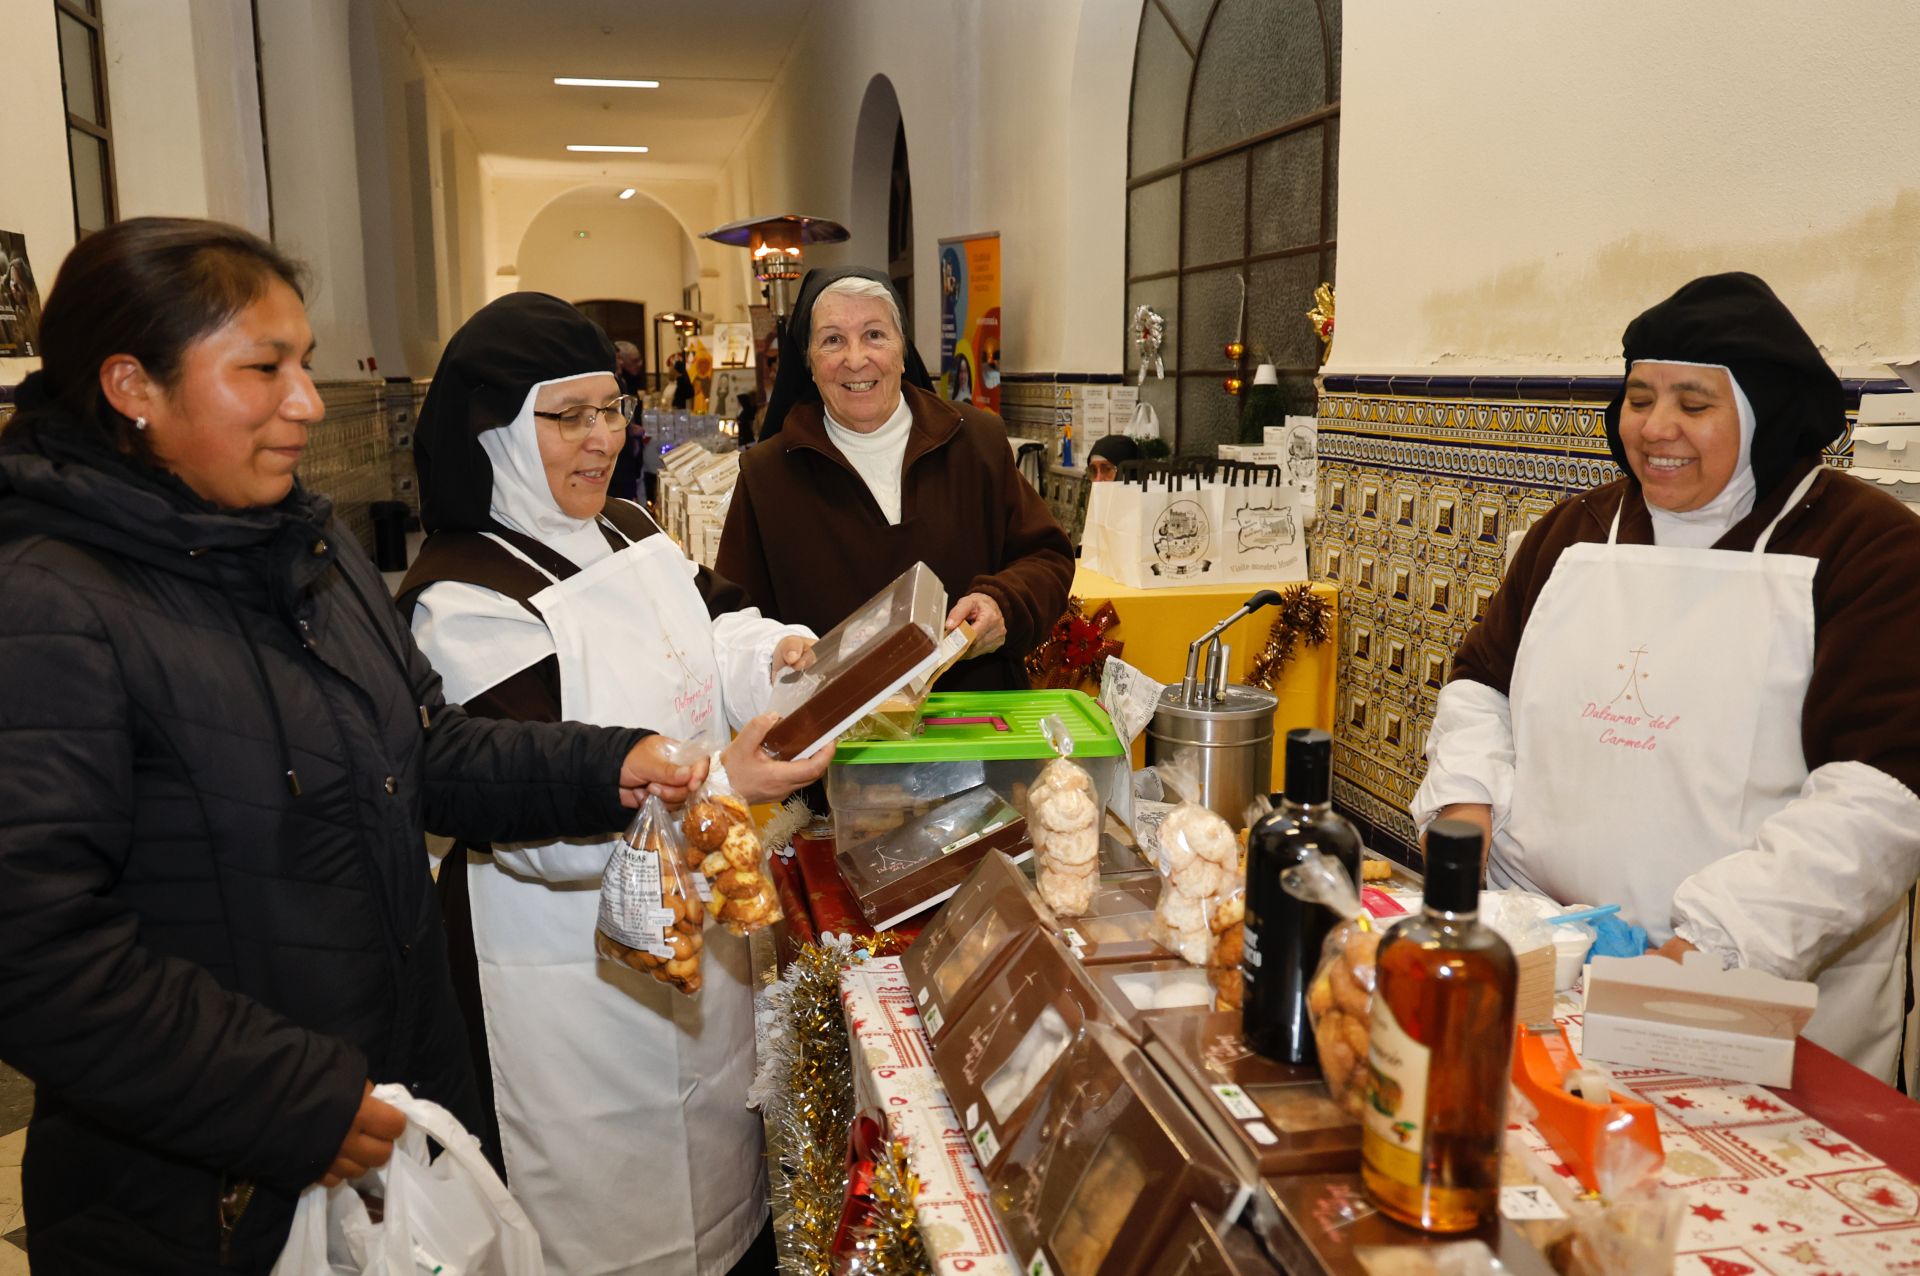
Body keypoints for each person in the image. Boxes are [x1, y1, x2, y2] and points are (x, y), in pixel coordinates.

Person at [0, 218, 699, 1274]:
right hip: (210, 1192)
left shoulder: (303, 556)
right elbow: (35, 952)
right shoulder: (49, 603)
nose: (309, 403)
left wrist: (605, 763)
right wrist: (288, 1098)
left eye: (309, 364)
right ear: (131, 386)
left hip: (382, 1106)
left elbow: (425, 752)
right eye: (263, 369)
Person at [398, 291, 830, 1276]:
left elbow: (716, 632)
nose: (603, 439)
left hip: (694, 938)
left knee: (719, 1175)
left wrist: (786, 659)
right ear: (498, 433)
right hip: (562, 981)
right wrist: (726, 775)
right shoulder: (465, 599)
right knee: (605, 1218)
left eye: (613, 409)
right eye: (570, 416)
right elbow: (534, 820)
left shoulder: (633, 527)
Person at [1414, 272, 1920, 1080]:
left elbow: (1880, 794)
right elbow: (1483, 683)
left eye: (1693, 403)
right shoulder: (1579, 531)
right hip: (1554, 959)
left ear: (1763, 413)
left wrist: (1703, 951)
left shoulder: (1871, 549)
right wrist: (1466, 807)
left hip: (1754, 985)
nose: (1656, 428)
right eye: (1640, 396)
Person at [716, 267, 1074, 692]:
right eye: (833, 340)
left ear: (903, 351)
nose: (855, 359)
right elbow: (733, 620)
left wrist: (1003, 603)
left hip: (975, 723)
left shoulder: (976, 443)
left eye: (874, 335)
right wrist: (774, 649)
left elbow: (1047, 557)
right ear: (809, 363)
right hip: (832, 741)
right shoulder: (767, 476)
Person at [608, 341, 648, 502]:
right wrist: (630, 428)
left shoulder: (622, 379)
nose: (621, 362)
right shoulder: (613, 383)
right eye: (618, 358)